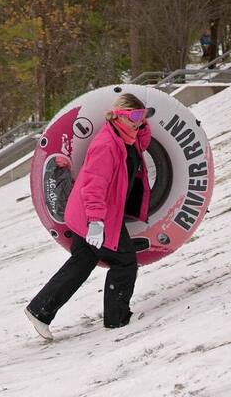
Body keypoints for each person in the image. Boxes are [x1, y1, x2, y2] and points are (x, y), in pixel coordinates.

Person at [26, 93, 151, 339]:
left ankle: (40, 310)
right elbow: (93, 186)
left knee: (82, 263)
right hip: (93, 215)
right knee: (125, 261)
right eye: (135, 117)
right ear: (120, 116)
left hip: (94, 214)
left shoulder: (126, 137)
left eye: (143, 117)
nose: (139, 122)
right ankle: (117, 318)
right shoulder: (107, 145)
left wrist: (141, 124)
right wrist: (96, 222)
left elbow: (141, 144)